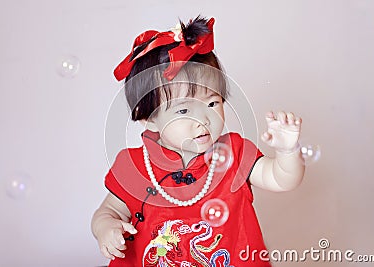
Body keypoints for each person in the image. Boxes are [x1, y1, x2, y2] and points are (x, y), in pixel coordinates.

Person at [91, 16, 305, 267]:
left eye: (212, 103)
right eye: (183, 111)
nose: (203, 119)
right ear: (149, 119)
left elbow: (281, 179)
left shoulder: (234, 153)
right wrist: (106, 227)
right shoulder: (135, 166)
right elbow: (107, 212)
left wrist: (288, 151)